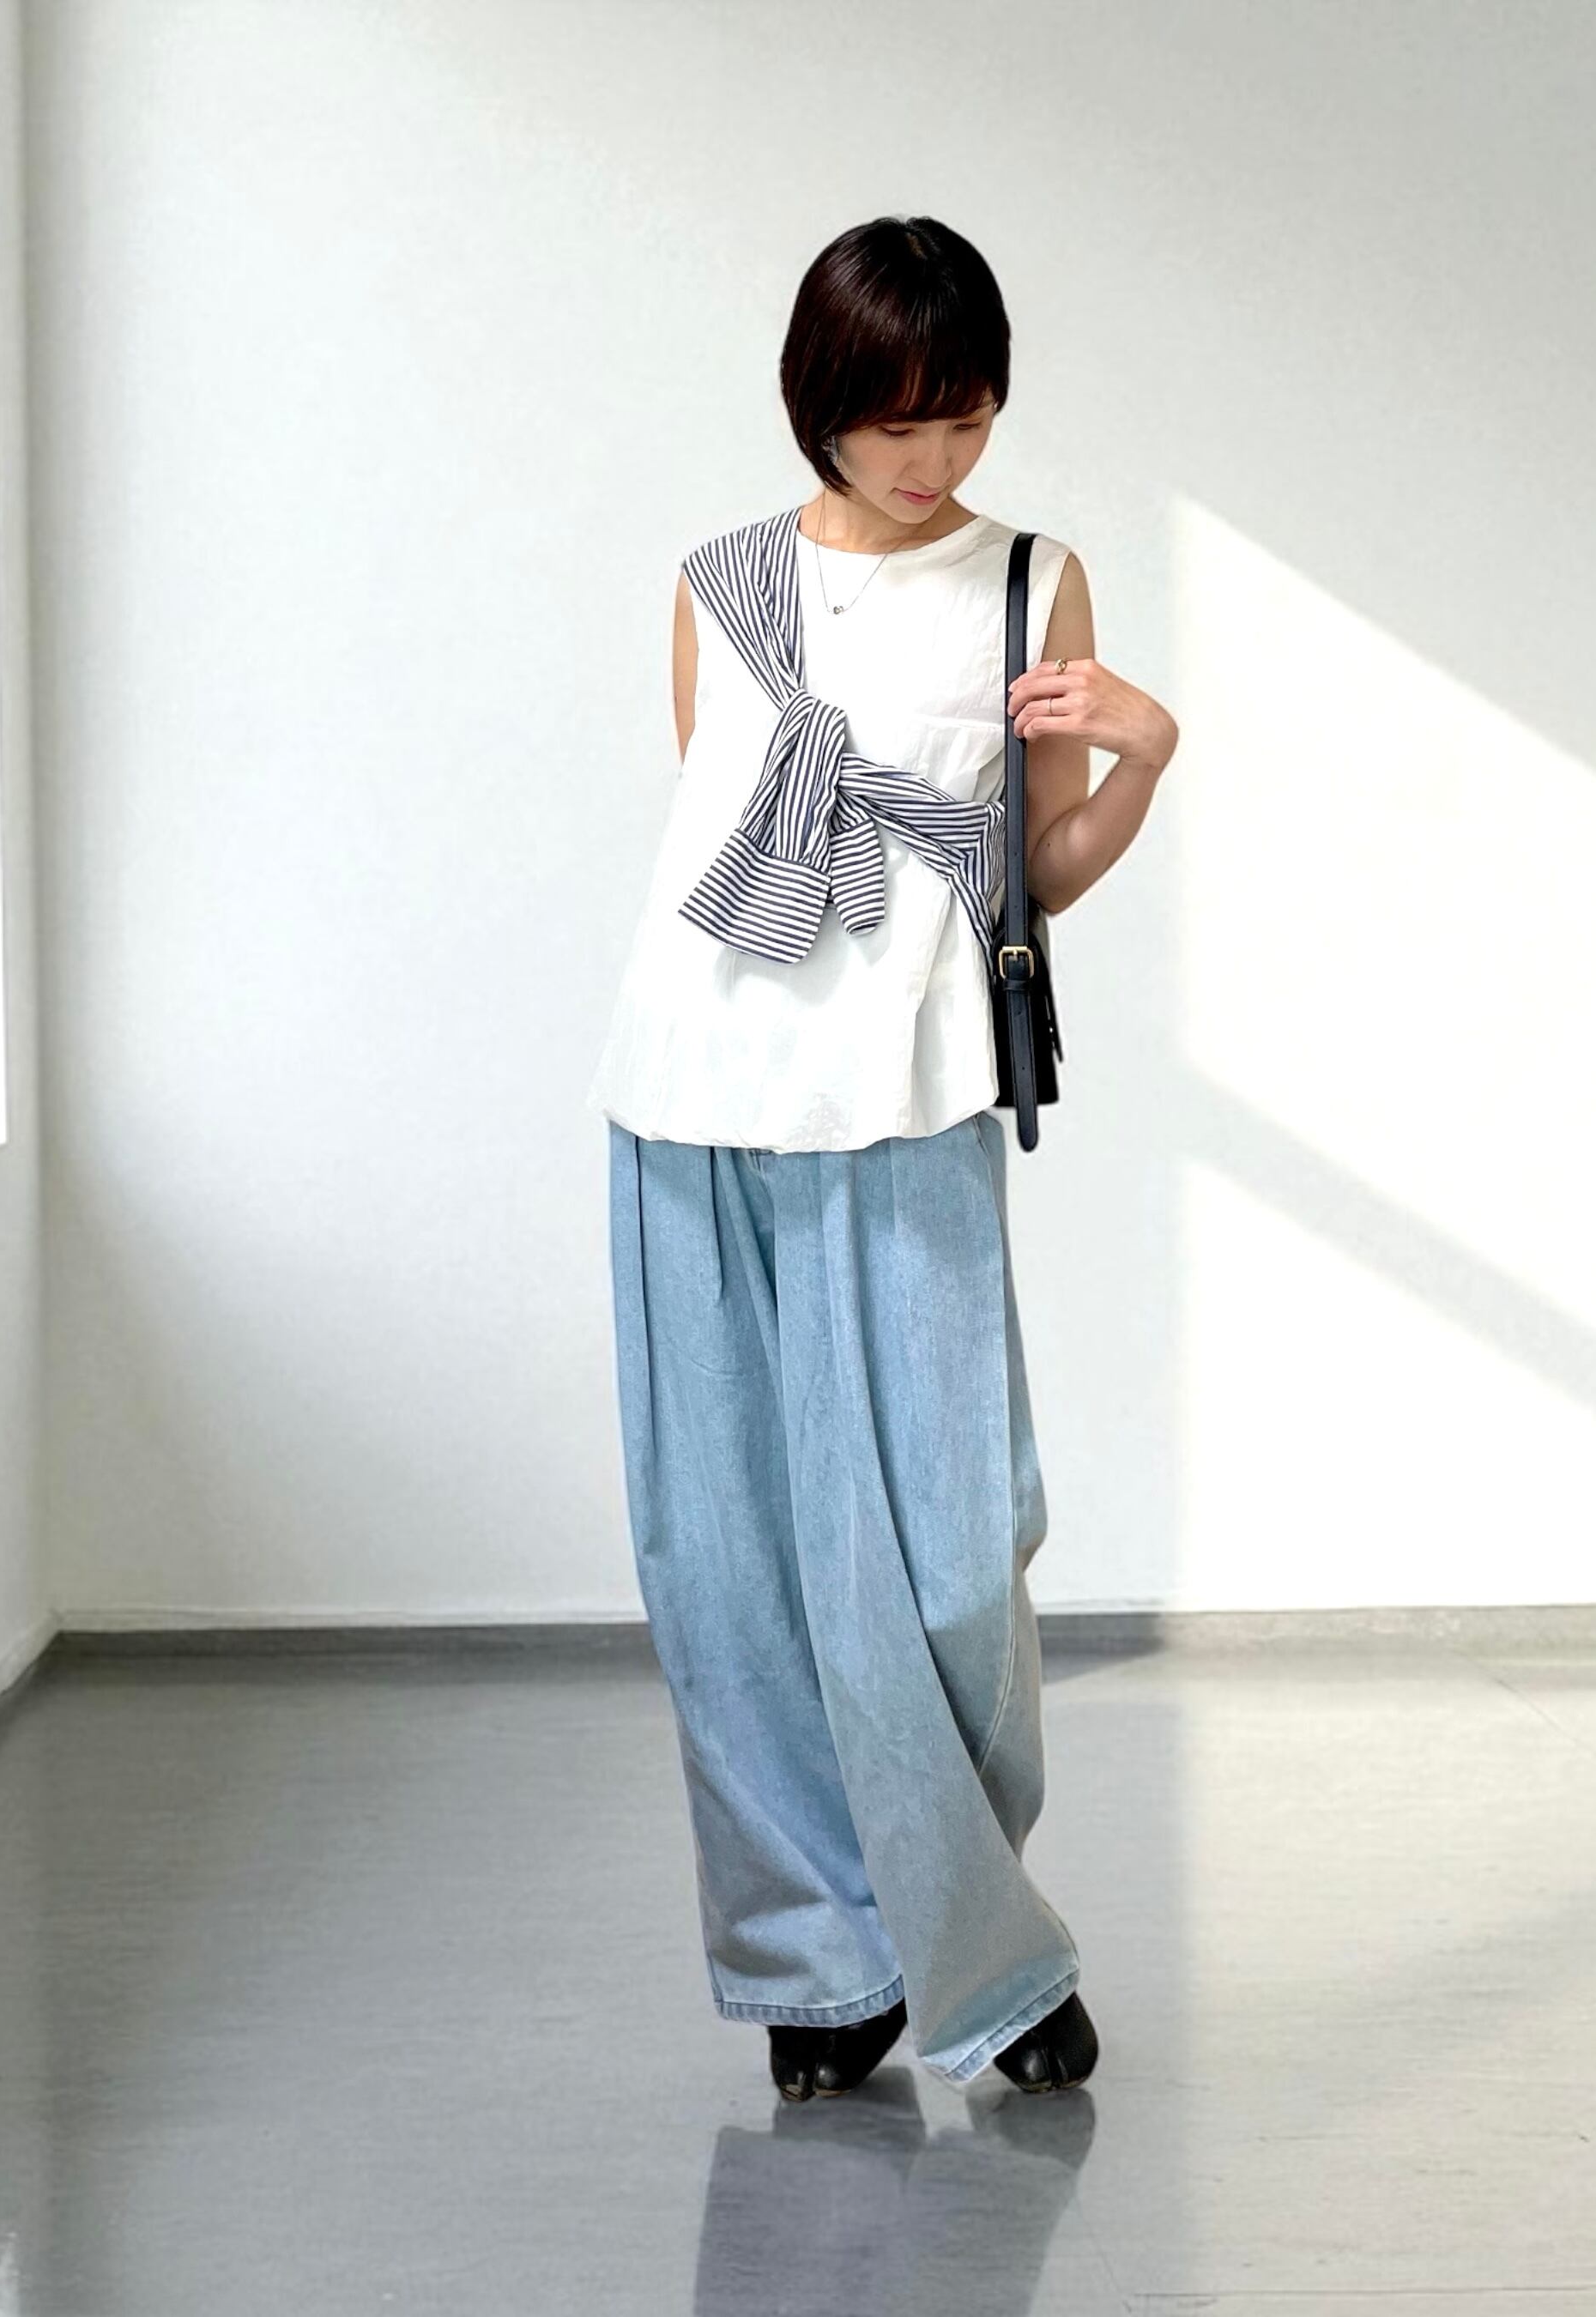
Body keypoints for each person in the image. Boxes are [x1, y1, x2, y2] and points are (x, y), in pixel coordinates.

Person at [588, 214, 1176, 2100]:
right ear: (820, 399)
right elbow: (721, 849)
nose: (932, 458)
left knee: (946, 1558)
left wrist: (1143, 755)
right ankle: (817, 1971)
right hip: (691, 1100)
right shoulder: (719, 583)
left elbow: (1027, 880)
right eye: (895, 419)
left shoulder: (1030, 584)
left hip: (907, 1107)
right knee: (729, 1567)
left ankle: (979, 1945)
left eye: (966, 415)